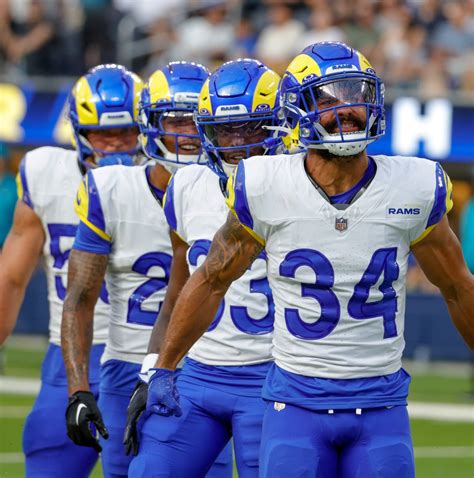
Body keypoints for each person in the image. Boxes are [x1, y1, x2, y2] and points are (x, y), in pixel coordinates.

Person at [138, 42, 474, 478]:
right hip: (295, 403)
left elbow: (457, 286)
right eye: (329, 98)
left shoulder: (413, 185)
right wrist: (163, 366)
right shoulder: (264, 183)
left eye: (356, 94)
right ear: (297, 109)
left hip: (381, 402)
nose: (347, 108)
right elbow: (211, 280)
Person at [61, 61, 232, 478]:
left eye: (194, 121)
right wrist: (78, 389)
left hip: (207, 366)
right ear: (150, 124)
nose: (187, 134)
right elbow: (79, 299)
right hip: (127, 362)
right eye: (175, 121)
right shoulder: (111, 188)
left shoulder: (236, 188)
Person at [127, 58, 284, 478]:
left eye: (250, 128)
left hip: (274, 377)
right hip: (198, 374)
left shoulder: (300, 185)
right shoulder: (186, 185)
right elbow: (178, 293)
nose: (236, 142)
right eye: (224, 130)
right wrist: (153, 369)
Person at [0, 63, 143, 477]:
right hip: (68, 356)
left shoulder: (171, 183)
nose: (116, 144)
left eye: (127, 132)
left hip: (145, 357)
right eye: (103, 133)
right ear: (79, 133)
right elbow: (12, 277)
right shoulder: (46, 173)